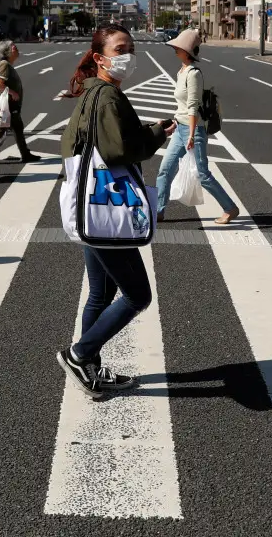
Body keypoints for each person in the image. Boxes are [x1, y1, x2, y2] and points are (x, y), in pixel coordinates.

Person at [56, 24, 176, 399]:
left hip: (92, 208)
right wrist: (155, 136)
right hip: (108, 210)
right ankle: (79, 354)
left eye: (130, 48)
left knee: (100, 294)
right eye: (120, 49)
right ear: (99, 57)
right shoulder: (107, 97)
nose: (128, 56)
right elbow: (117, 151)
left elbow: (105, 142)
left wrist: (151, 129)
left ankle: (89, 369)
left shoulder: (94, 94)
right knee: (138, 295)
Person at [154, 29, 238, 224]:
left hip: (194, 130)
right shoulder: (181, 71)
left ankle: (230, 208)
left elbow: (193, 105)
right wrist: (176, 121)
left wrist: (191, 135)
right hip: (180, 127)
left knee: (202, 174)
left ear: (187, 51)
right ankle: (158, 210)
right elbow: (183, 105)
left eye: (178, 47)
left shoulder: (193, 74)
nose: (175, 49)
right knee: (165, 169)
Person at [0, 39, 39, 164]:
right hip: (6, 104)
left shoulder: (8, 65)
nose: (16, 49)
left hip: (11, 104)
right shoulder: (4, 65)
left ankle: (25, 154)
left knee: (17, 128)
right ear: (7, 52)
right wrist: (13, 92)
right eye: (13, 47)